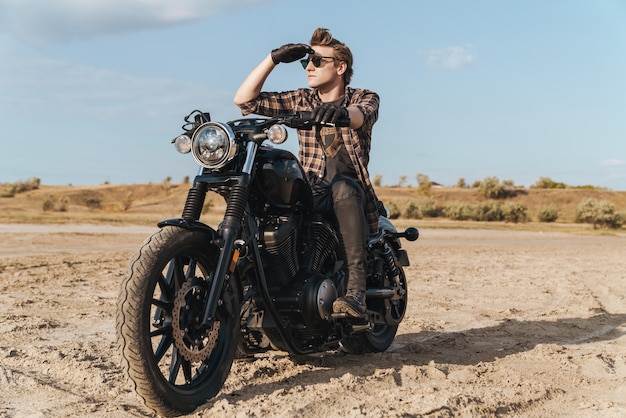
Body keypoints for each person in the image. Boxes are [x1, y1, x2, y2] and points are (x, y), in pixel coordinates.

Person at [234, 27, 383, 318]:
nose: (310, 67)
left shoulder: (362, 96)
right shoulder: (302, 99)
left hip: (349, 193)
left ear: (340, 67)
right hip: (312, 190)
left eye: (317, 61)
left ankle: (356, 293)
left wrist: (340, 114)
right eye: (306, 62)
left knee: (343, 186)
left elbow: (362, 114)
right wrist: (273, 59)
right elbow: (245, 101)